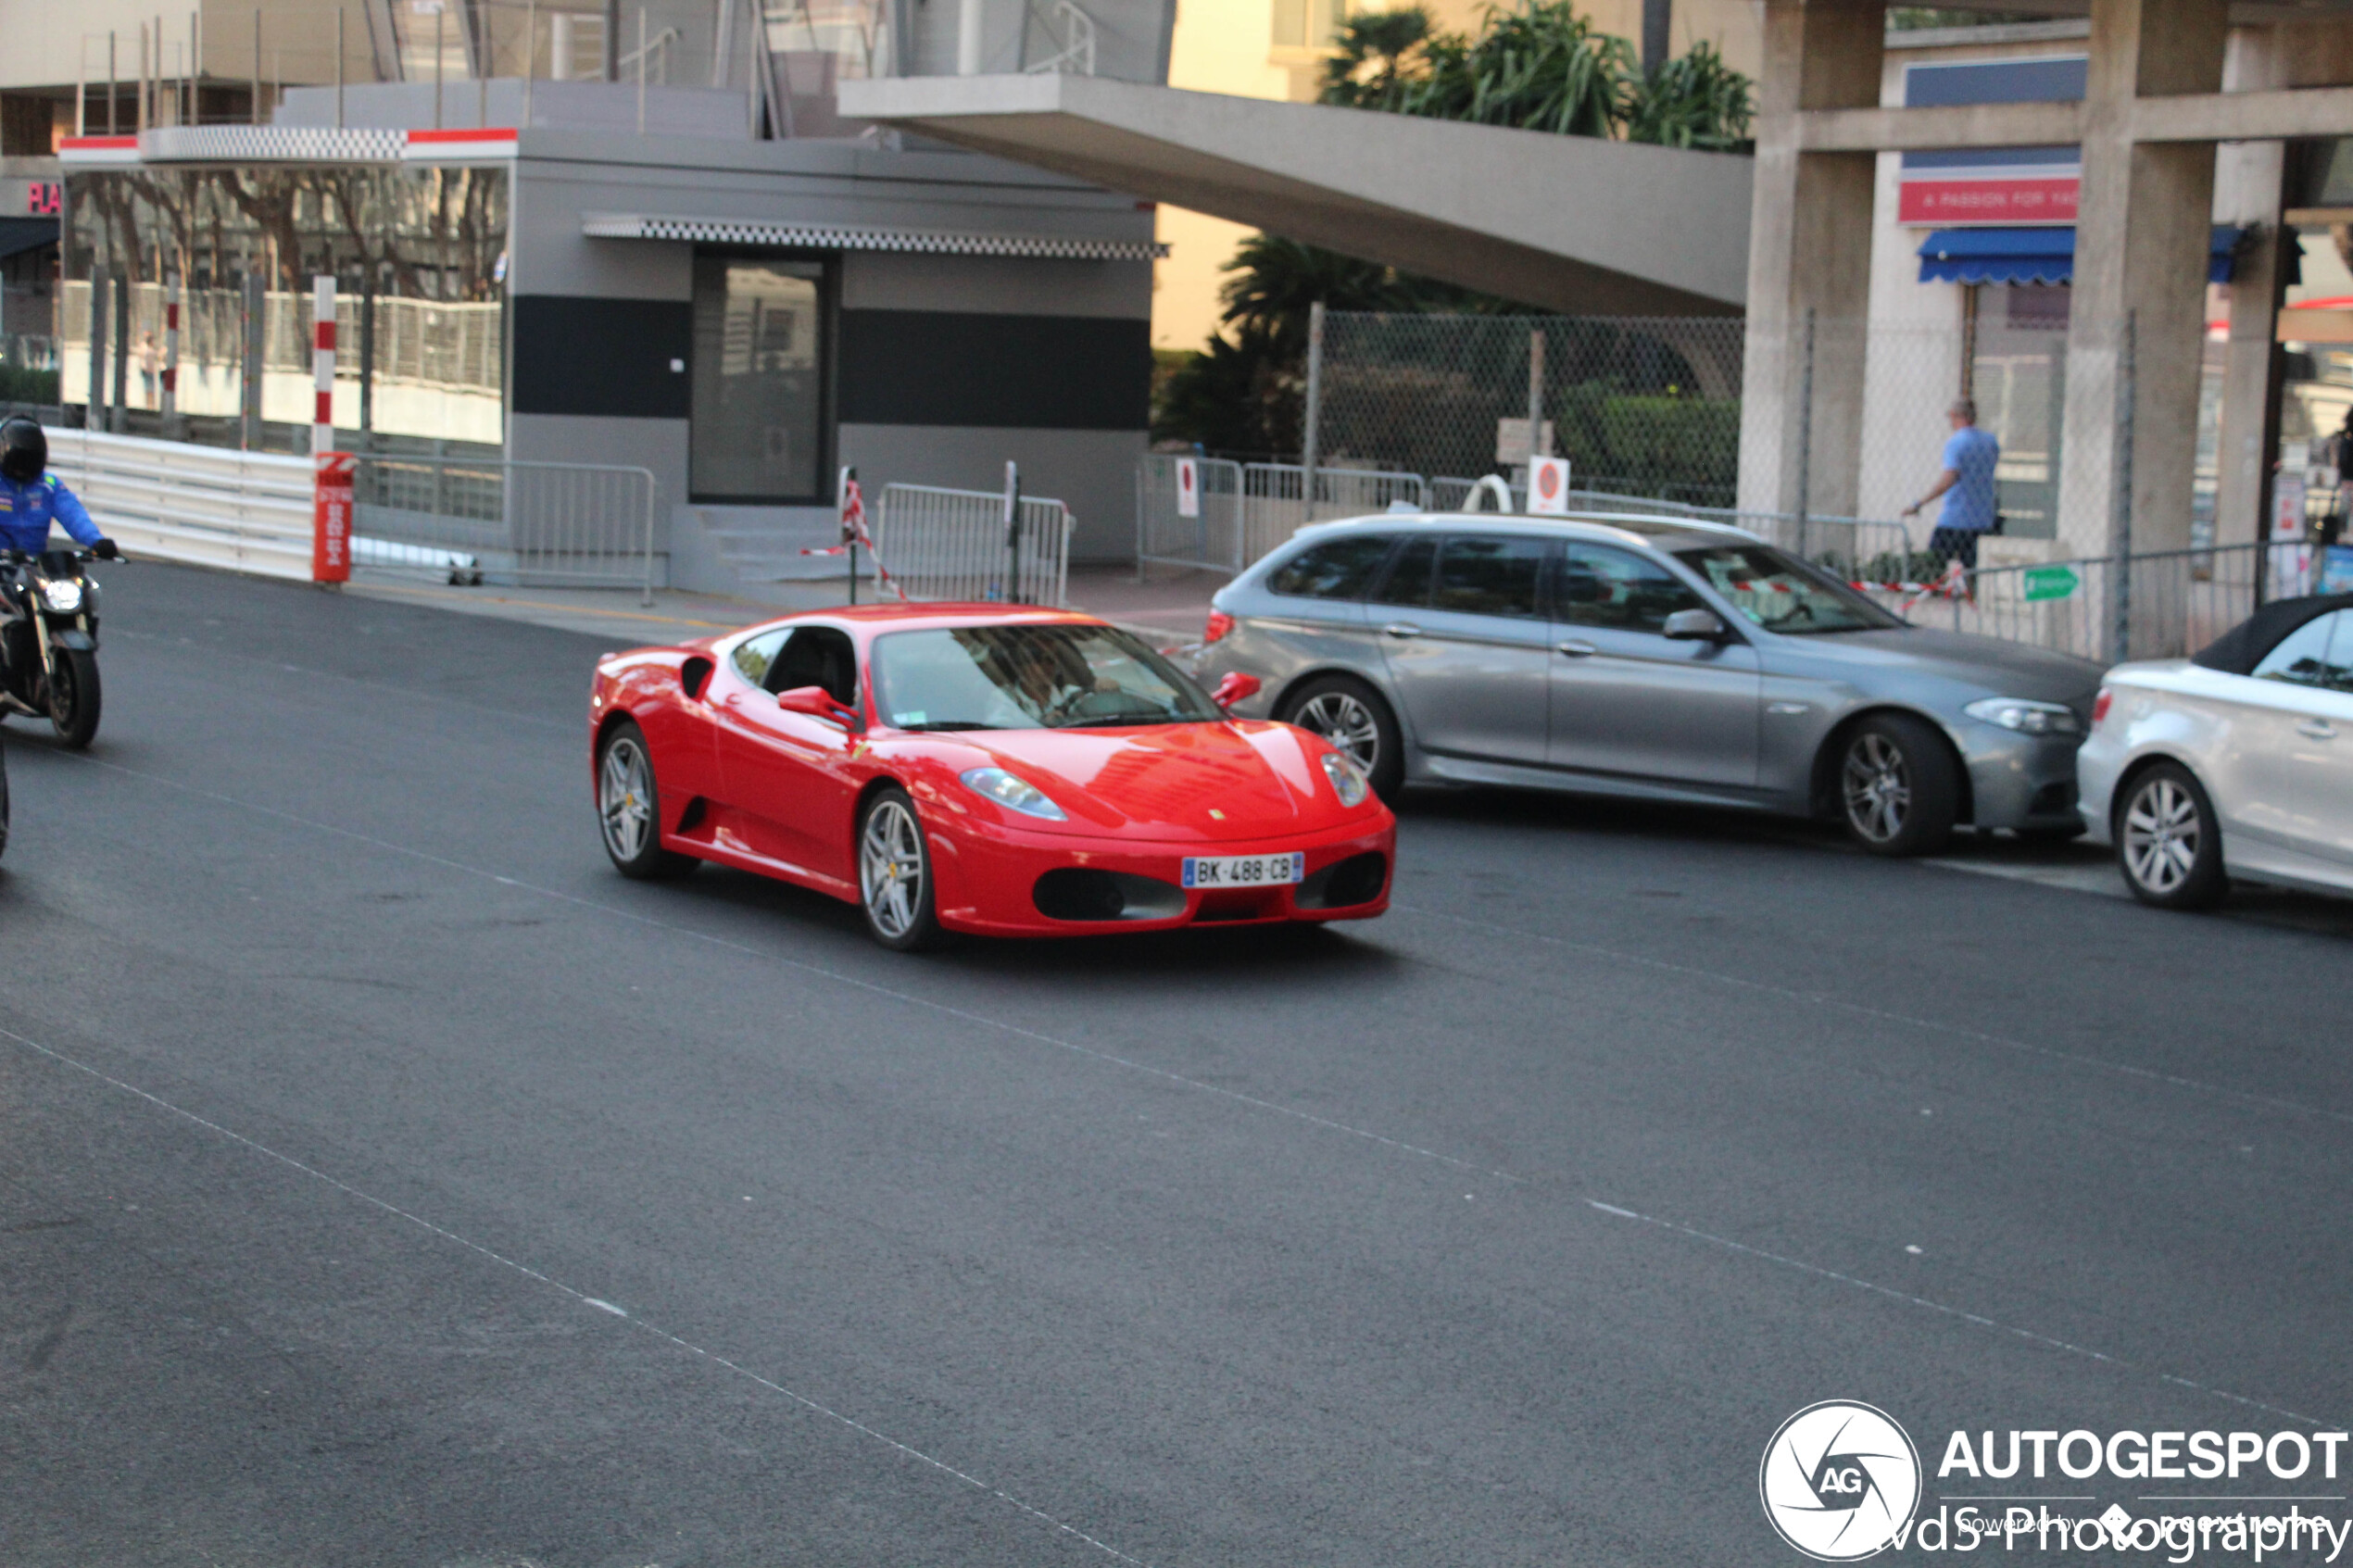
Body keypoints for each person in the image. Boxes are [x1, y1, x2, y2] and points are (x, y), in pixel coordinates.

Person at [1902, 398, 2000, 572]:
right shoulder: (1990, 441)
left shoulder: (1956, 443)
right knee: (1972, 569)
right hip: (1983, 518)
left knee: (1934, 564)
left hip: (1956, 517)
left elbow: (1949, 478)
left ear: (1955, 416)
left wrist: (1919, 503)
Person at [0, 418, 116, 558]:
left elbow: (73, 514)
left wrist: (96, 540)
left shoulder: (49, 485)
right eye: (18, 462)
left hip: (34, 565)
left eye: (31, 461)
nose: (23, 469)